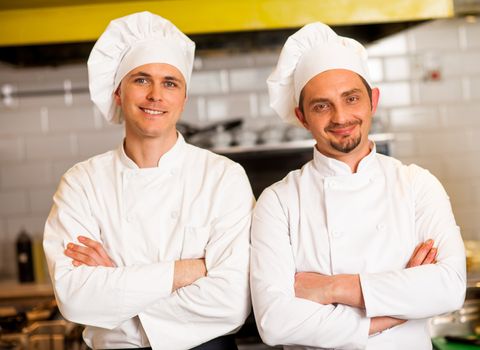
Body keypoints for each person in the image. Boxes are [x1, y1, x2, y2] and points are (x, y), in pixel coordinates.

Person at [43, 11, 254, 350]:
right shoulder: (81, 183)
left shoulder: (223, 178)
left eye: (170, 83)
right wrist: (188, 271)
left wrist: (116, 289)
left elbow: (232, 302)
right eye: (141, 80)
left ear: (183, 99)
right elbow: (74, 298)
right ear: (118, 93)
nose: (156, 94)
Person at [250, 22, 466, 349]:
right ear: (302, 116)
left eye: (351, 98)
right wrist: (399, 303)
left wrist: (332, 288)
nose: (340, 117)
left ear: (372, 101)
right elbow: (274, 323)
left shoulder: (417, 185)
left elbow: (449, 287)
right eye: (321, 105)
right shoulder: (278, 201)